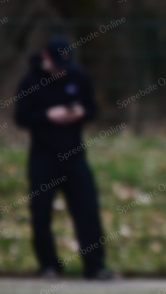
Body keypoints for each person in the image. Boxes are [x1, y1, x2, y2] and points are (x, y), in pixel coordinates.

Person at [14, 36, 112, 280]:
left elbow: (92, 109)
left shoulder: (78, 76)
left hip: (75, 153)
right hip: (43, 155)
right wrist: (48, 115)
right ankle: (49, 265)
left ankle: (95, 265)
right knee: (41, 210)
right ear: (46, 58)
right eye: (57, 66)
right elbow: (21, 117)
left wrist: (80, 113)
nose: (62, 72)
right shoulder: (30, 80)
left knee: (87, 208)